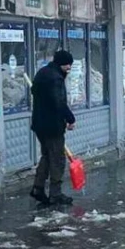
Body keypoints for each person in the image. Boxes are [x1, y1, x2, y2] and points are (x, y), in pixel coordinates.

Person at [31, 49, 76, 206]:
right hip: (52, 125)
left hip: (39, 124)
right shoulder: (55, 78)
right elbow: (59, 102)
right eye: (68, 65)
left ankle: (38, 187)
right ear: (62, 64)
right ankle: (55, 194)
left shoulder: (42, 73)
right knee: (57, 158)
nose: (69, 68)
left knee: (47, 156)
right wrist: (70, 118)